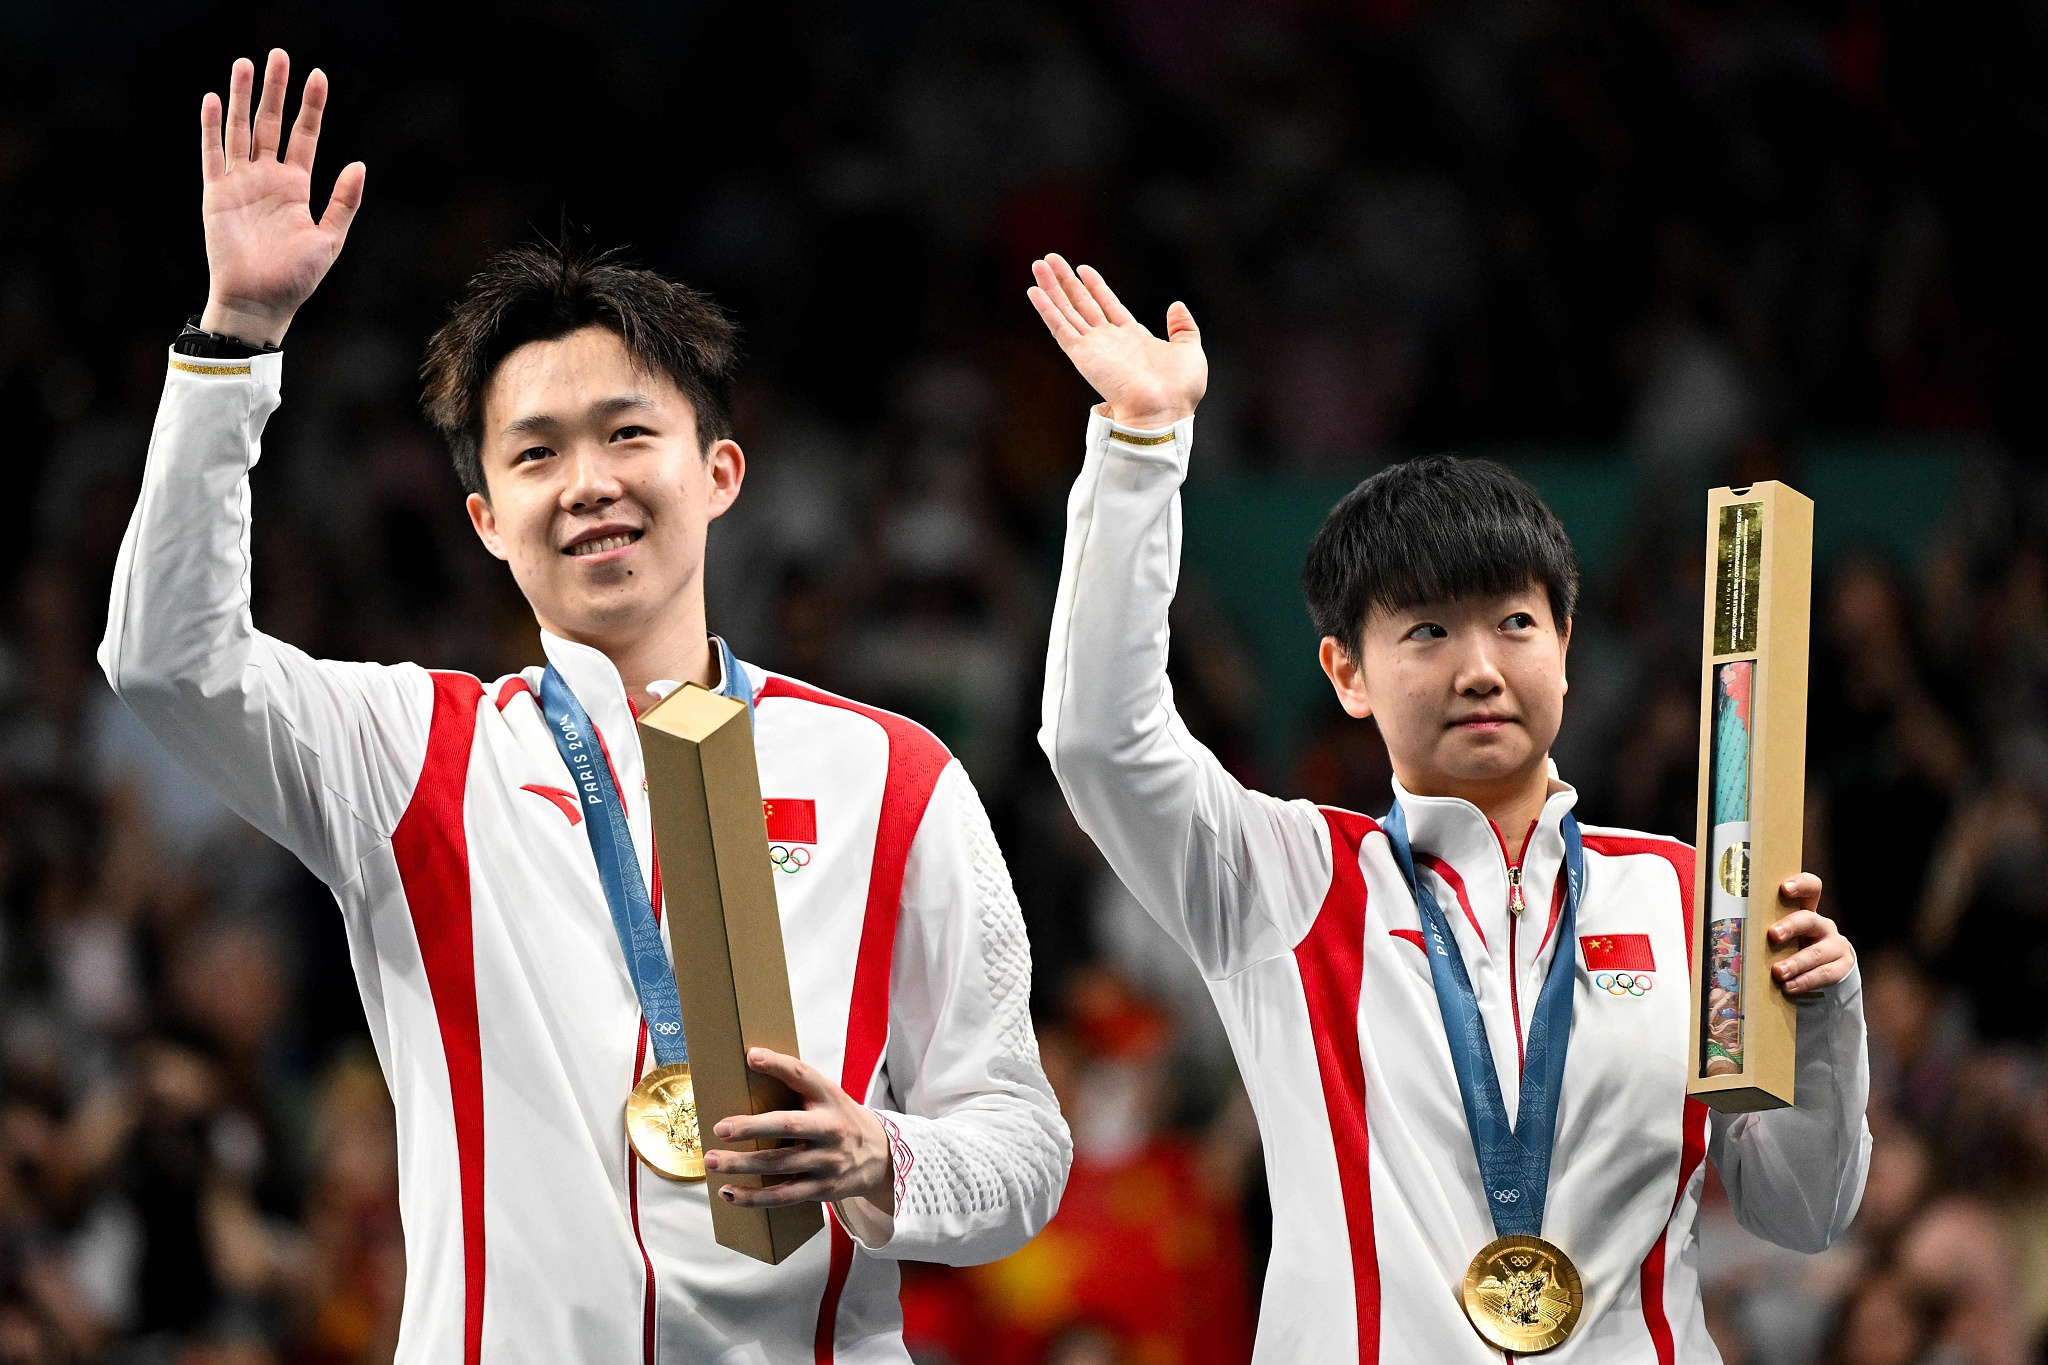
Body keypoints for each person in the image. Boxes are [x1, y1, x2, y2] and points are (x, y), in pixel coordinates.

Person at [99, 49, 1069, 1364]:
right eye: (537, 453)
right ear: (487, 520)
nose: (589, 482)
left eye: (628, 433)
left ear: (720, 471)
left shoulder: (891, 777)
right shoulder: (411, 760)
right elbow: (166, 658)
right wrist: (233, 345)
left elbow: (1022, 1150)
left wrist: (880, 1153)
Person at [1028, 253, 1868, 1362]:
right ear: (1345, 673)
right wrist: (1138, 446)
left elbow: (1797, 1213)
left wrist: (1823, 1030)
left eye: (1513, 624)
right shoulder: (1281, 882)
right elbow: (1096, 737)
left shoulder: (1686, 889)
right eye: (1425, 631)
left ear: (1565, 649)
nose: (1478, 668)